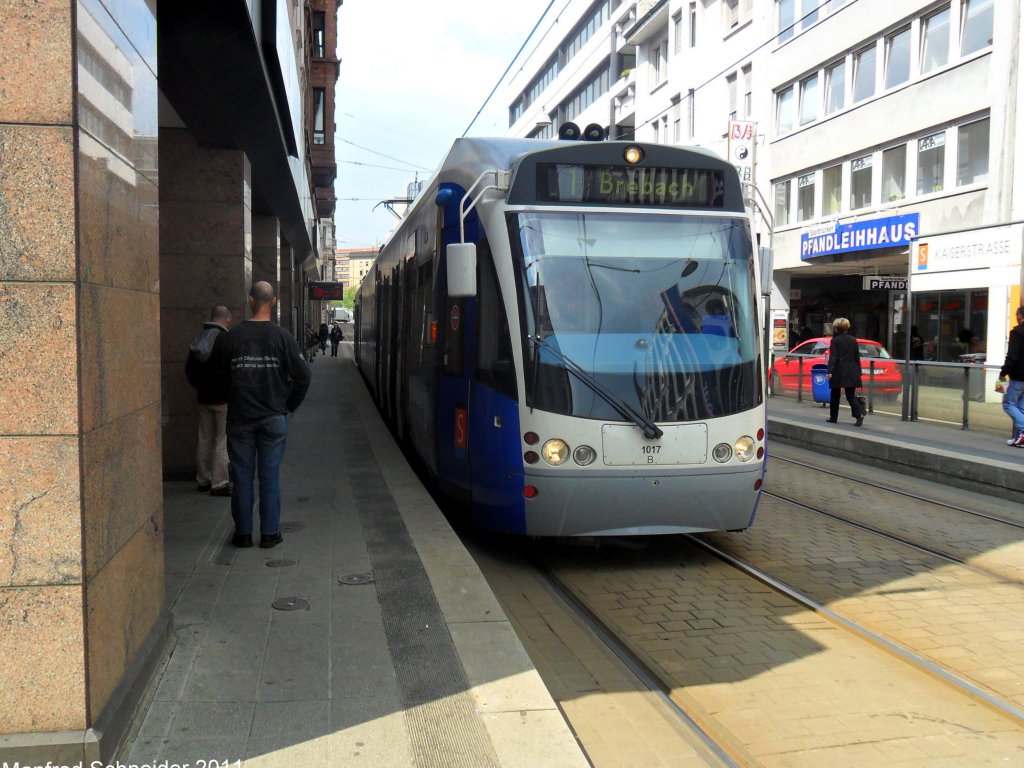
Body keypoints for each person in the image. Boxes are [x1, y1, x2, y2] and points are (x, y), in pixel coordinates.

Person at [213, 282, 312, 548]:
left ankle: (243, 534)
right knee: (269, 477)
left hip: (240, 418)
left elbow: (217, 378)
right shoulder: (283, 337)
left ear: (250, 301)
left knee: (242, 478)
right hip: (273, 418)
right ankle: (270, 534)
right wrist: (288, 406)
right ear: (274, 302)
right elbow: (303, 376)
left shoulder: (229, 338)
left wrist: (233, 397)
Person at [185, 306, 232, 496]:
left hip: (203, 398)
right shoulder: (225, 339)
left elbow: (189, 370)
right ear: (227, 319)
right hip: (222, 399)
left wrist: (200, 387)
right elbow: (230, 370)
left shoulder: (199, 337)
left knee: (204, 438)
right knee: (221, 439)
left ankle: (203, 479)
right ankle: (219, 483)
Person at [826, 317, 865, 427]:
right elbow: (857, 357)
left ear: (836, 328)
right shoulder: (853, 340)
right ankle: (859, 414)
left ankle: (833, 418)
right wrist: (859, 371)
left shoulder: (835, 340)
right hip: (852, 370)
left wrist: (830, 371)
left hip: (838, 371)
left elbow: (833, 357)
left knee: (835, 395)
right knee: (850, 395)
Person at [998, 305, 1024, 448]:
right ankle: (1019, 439)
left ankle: (1023, 431)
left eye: (1016, 315)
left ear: (1020, 316)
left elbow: (1012, 356)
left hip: (1019, 376)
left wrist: (1003, 372)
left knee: (1008, 404)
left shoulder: (1017, 332)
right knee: (1021, 407)